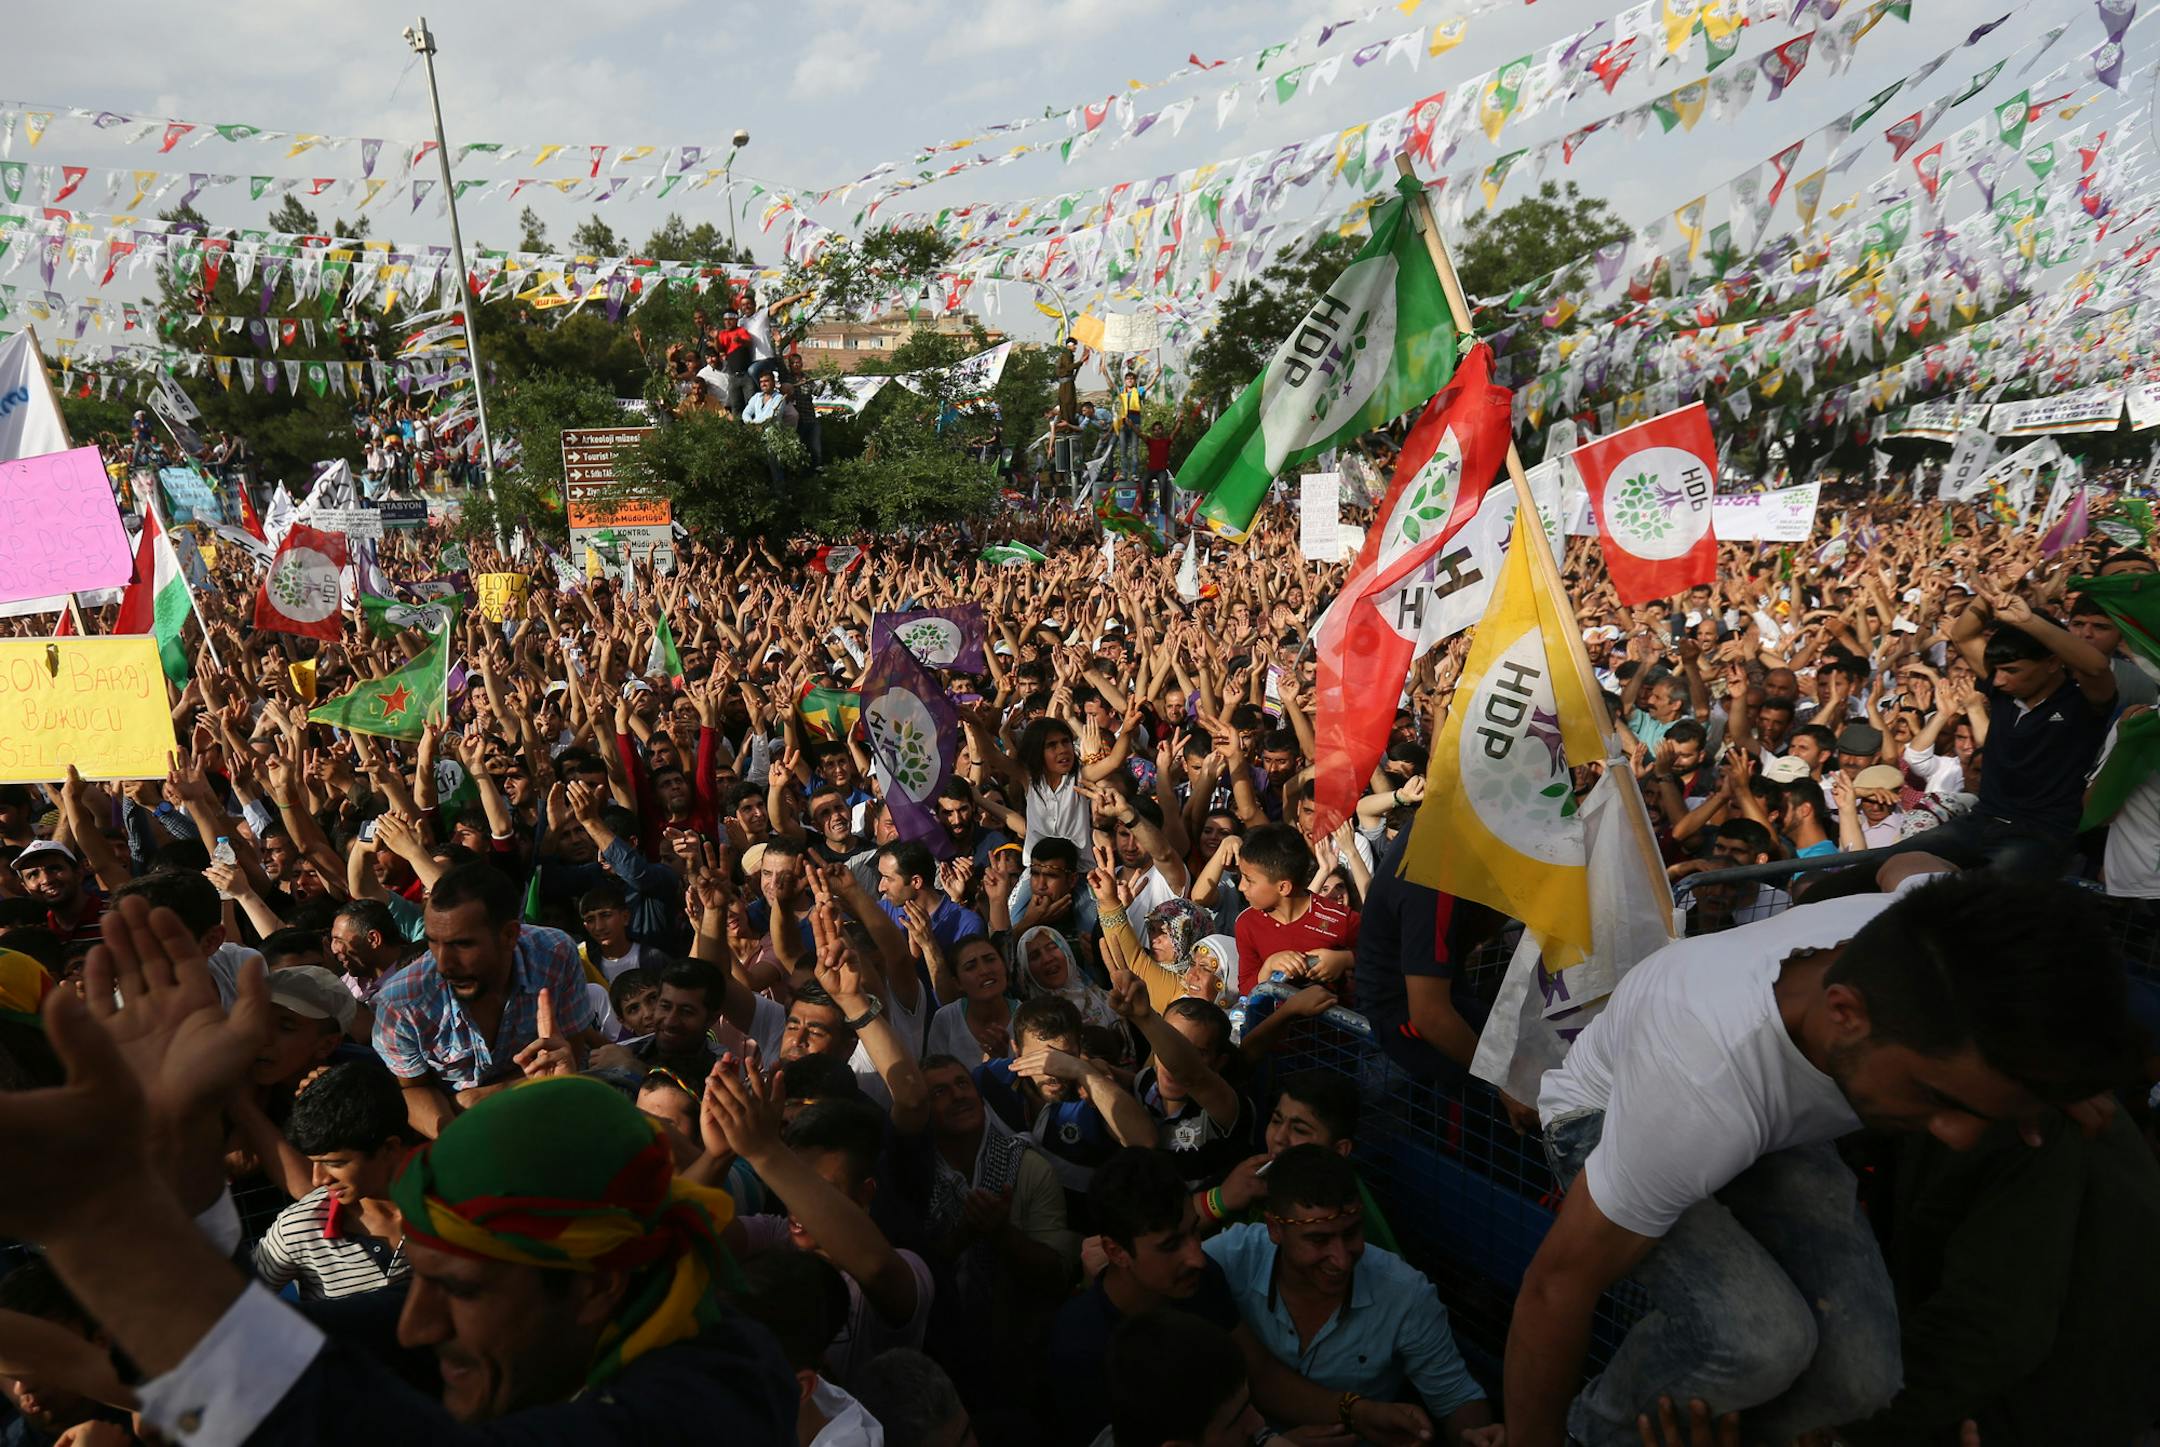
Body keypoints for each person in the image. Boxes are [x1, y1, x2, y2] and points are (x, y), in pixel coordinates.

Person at [0, 896, 797, 1441]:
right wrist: (177, 1133)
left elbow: (318, 1415)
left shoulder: (711, 1399)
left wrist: (96, 1211)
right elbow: (254, 1350)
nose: (412, 1326)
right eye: (421, 1278)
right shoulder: (510, 1313)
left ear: (595, 1284)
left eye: (454, 1286)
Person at [1504, 863, 2138, 1447]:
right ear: (1846, 1013)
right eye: (1935, 1097)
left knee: (1860, 1381)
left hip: (1770, 1128)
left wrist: (2046, 1076)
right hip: (1610, 1112)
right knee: (1759, 1343)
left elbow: (1914, 870)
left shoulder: (1927, 945)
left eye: (1979, 1109)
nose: (1958, 1135)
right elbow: (1555, 1289)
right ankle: (1598, 1434)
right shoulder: (1700, 1086)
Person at [1203, 1146, 1499, 1446]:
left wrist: (1474, 1435)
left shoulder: (1405, 1294)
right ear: (1275, 1228)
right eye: (1318, 1240)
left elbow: (1457, 1398)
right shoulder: (1229, 1259)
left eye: (1351, 1233)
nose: (1341, 1259)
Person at [370, 862, 603, 1137]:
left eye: (462, 944)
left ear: (509, 935)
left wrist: (478, 1099)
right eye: (433, 942)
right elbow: (413, 1089)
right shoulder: (401, 1004)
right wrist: (459, 1140)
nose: (444, 964)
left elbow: (568, 1057)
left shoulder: (555, 954)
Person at [251, 1060, 416, 1302]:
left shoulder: (457, 1204)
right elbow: (237, 1303)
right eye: (314, 1162)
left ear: (390, 1148)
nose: (318, 1179)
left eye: (335, 1163)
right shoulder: (297, 1228)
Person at [1230, 825, 1357, 999]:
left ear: (1283, 887)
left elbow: (1385, 954)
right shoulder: (1246, 923)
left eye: (1249, 880)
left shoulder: (1338, 918)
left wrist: (1344, 960)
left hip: (1329, 1023)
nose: (1241, 886)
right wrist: (1268, 968)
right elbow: (1245, 989)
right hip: (1273, 1024)